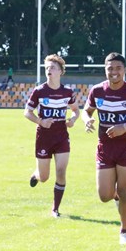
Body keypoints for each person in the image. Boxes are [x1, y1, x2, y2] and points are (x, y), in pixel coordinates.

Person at [82, 52, 126, 244]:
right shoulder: (97, 91)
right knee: (104, 195)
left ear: (124, 70)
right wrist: (87, 119)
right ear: (105, 70)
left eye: (118, 68)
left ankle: (125, 231)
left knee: (125, 191)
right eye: (110, 68)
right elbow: (87, 110)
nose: (114, 72)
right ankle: (114, 197)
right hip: (105, 147)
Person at [24, 54, 80, 217]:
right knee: (44, 177)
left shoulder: (67, 92)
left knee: (61, 172)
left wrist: (73, 120)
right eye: (47, 68)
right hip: (44, 137)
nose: (49, 70)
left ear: (61, 71)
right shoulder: (39, 91)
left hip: (61, 136)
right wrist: (40, 121)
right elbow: (27, 112)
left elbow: (76, 110)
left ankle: (55, 209)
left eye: (53, 68)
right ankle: (36, 174)